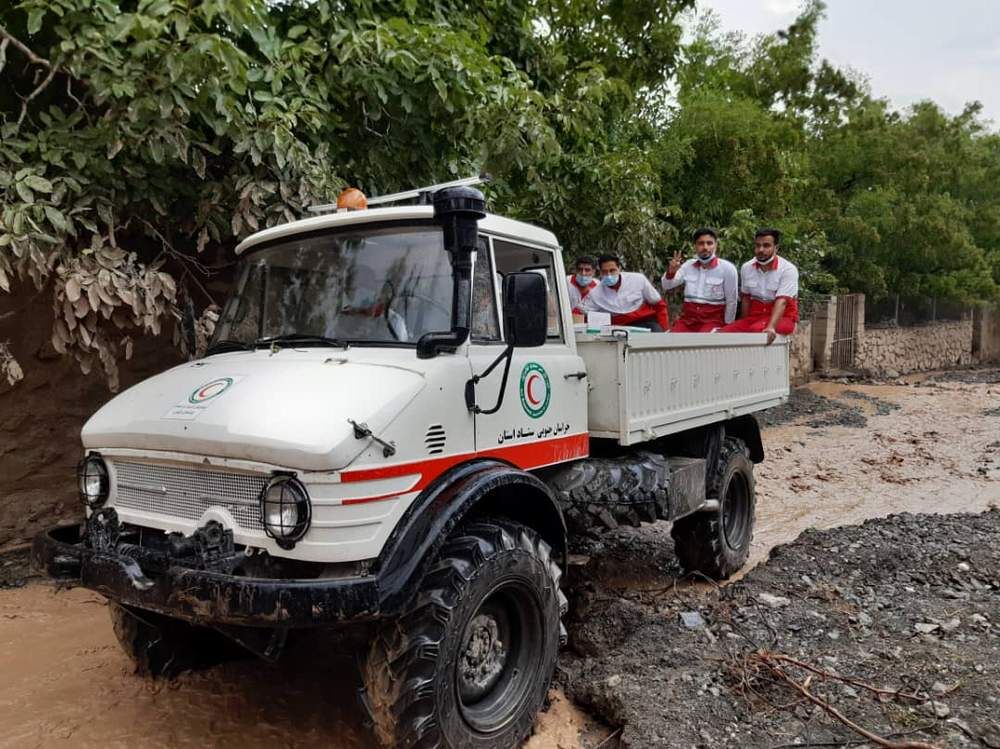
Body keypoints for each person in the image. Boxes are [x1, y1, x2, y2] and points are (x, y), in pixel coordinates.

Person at [719, 228, 798, 343]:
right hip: (755, 317)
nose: (761, 250)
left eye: (766, 246)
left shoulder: (788, 269)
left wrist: (771, 327)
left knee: (755, 331)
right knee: (722, 335)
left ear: (776, 248)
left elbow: (783, 301)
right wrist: (742, 323)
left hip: (783, 318)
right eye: (758, 245)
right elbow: (746, 298)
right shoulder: (747, 267)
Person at [661, 228, 738, 332]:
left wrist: (727, 327)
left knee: (703, 343)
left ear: (716, 245)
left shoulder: (727, 269)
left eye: (709, 243)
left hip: (713, 321)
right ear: (695, 246)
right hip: (688, 320)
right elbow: (667, 285)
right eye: (701, 243)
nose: (705, 247)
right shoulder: (688, 265)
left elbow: (731, 301)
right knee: (672, 341)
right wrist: (671, 272)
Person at [582, 254, 669, 331]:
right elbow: (582, 313)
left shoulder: (638, 279)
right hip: (617, 329)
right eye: (604, 272)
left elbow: (659, 305)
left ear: (619, 269)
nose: (608, 275)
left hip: (644, 323)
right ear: (600, 272)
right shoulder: (595, 294)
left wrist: (665, 330)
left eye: (612, 270)